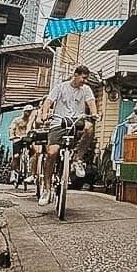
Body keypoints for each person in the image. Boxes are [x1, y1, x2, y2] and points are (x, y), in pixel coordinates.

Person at [38, 65, 98, 205]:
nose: (85, 81)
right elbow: (48, 101)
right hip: (59, 122)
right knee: (52, 152)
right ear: (75, 74)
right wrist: (45, 112)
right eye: (83, 78)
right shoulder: (60, 87)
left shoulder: (86, 90)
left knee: (89, 127)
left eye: (86, 78)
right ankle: (47, 189)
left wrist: (94, 113)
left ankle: (77, 159)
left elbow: (91, 103)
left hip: (76, 121)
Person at [7, 105, 36, 185]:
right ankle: (13, 172)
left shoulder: (32, 121)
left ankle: (31, 172)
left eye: (30, 112)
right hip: (18, 139)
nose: (28, 113)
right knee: (16, 156)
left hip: (28, 140)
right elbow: (11, 128)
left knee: (34, 153)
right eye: (27, 111)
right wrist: (12, 136)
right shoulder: (17, 120)